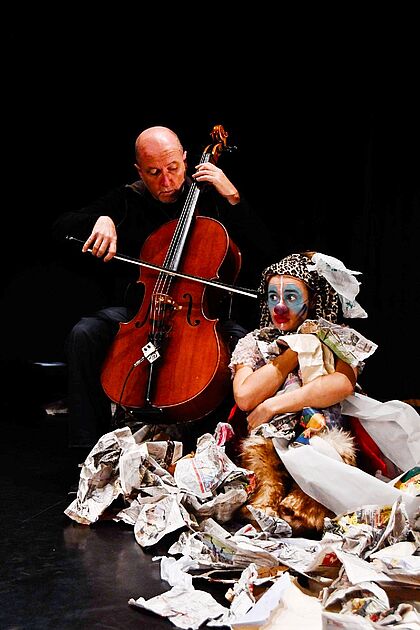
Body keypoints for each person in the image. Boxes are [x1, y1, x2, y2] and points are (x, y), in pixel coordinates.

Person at [52, 125, 277, 456]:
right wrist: (98, 220)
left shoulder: (213, 197)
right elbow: (60, 228)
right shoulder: (129, 198)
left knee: (241, 342)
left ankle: (223, 449)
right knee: (85, 333)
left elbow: (268, 253)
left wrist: (233, 198)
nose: (167, 181)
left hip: (201, 317)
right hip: (141, 313)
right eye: (154, 173)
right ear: (139, 171)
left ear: (185, 159)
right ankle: (88, 450)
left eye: (173, 168)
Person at [228, 250, 379, 536]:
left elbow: (342, 384)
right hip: (268, 440)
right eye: (273, 297)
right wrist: (293, 353)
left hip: (322, 433)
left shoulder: (336, 336)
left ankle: (308, 506)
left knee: (324, 459)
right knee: (263, 466)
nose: (279, 307)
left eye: (291, 297)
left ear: (312, 300)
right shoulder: (254, 342)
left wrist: (273, 406)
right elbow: (245, 396)